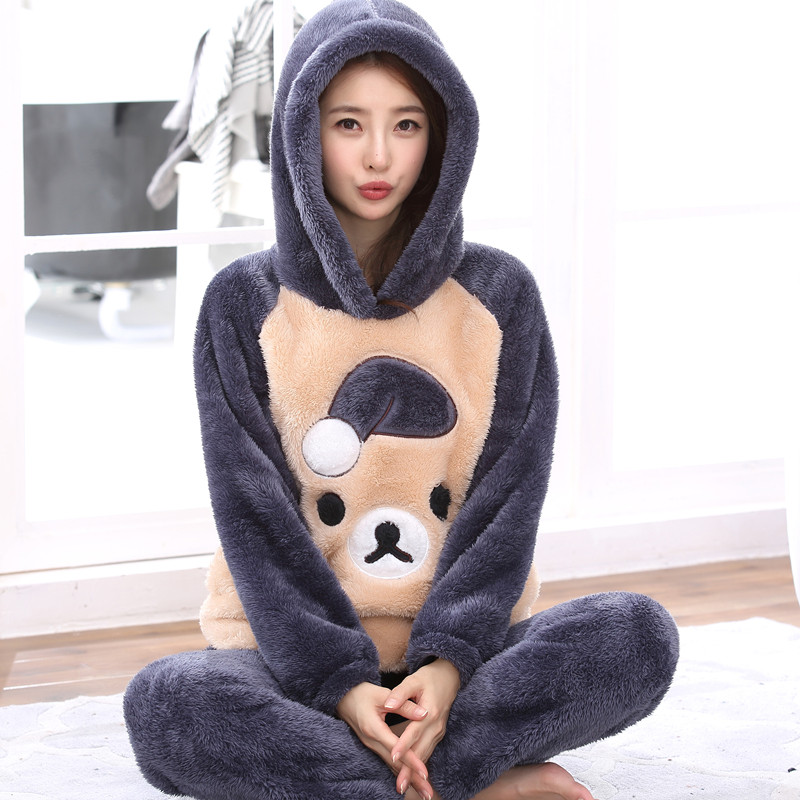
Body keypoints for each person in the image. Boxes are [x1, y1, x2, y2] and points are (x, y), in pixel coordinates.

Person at [124, 2, 680, 799]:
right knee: (170, 706)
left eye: (407, 125)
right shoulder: (242, 304)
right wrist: (341, 684)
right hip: (291, 664)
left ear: (444, 136)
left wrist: (448, 666)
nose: (379, 155)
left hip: (466, 656)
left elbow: (506, 505)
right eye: (348, 124)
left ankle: (377, 777)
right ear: (303, 131)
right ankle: (474, 781)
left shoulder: (500, 296)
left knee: (635, 636)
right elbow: (256, 522)